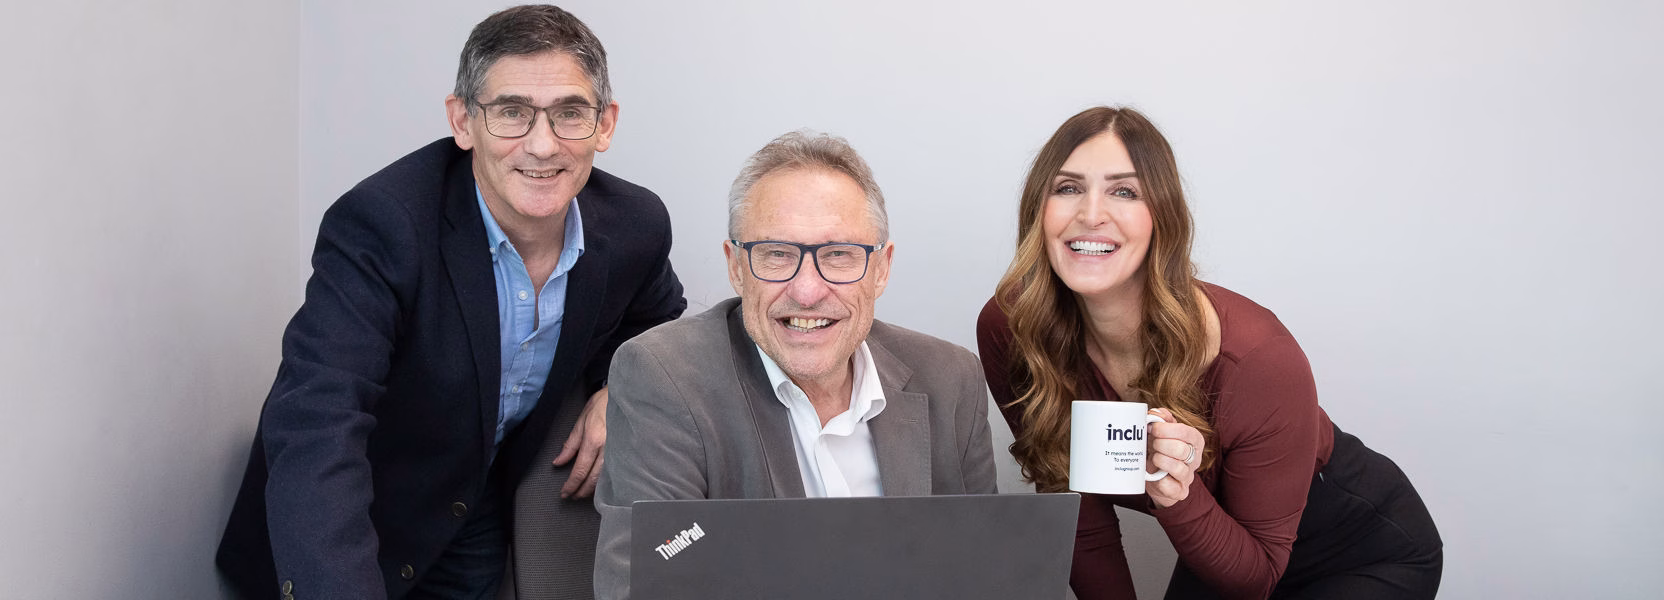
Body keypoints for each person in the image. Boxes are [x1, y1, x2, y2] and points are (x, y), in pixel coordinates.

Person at [216, 5, 685, 599]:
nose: (542, 145)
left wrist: (619, 391)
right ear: (462, 122)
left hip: (473, 512)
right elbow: (318, 422)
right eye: (511, 112)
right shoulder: (384, 225)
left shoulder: (635, 226)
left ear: (605, 125)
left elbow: (655, 322)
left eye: (569, 113)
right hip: (345, 525)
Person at [977, 106, 1442, 600]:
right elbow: (1080, 519)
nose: (1091, 214)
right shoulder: (1012, 329)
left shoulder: (1259, 358)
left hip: (1355, 548)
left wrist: (1177, 495)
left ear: (1163, 217)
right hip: (1224, 540)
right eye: (1068, 188)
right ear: (1037, 210)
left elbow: (1256, 578)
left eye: (1125, 191)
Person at [592, 131, 998, 599]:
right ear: (736, 266)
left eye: (839, 255)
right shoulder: (664, 378)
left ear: (881, 268)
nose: (807, 291)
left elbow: (984, 573)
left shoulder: (952, 379)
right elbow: (648, 584)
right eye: (778, 255)